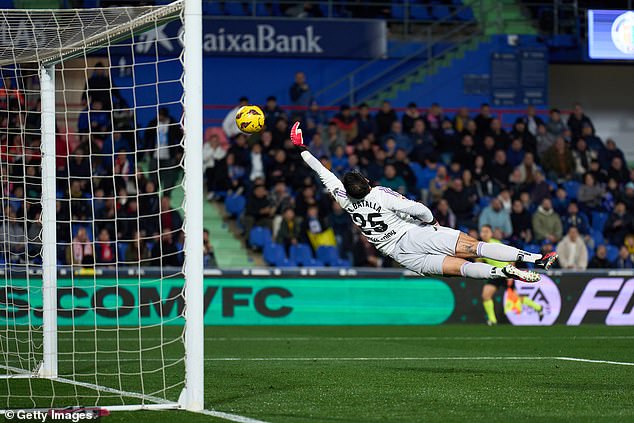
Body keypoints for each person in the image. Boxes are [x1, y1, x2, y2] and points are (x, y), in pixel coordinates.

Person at [290, 122, 557, 282]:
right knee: (476, 248)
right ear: (367, 183)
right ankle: (535, 258)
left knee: (462, 269)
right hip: (413, 235)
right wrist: (433, 222)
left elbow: (324, 174)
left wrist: (302, 150)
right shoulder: (379, 194)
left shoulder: (344, 200)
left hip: (398, 255)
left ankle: (500, 274)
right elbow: (420, 209)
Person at [478, 225, 544, 326]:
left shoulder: (495, 244)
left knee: (516, 298)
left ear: (491, 233)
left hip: (506, 273)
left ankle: (538, 307)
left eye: (486, 231)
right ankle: (492, 320)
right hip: (495, 273)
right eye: (482, 232)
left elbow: (511, 257)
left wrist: (511, 275)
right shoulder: (481, 246)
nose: (484, 234)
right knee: (485, 295)